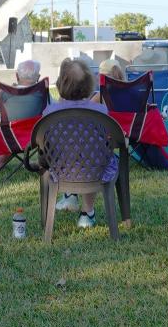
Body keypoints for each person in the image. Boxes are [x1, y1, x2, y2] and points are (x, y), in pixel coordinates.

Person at [43, 58, 118, 228]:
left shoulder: (50, 111)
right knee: (92, 158)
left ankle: (70, 196)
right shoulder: (99, 110)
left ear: (60, 84)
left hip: (60, 170)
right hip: (96, 170)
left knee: (76, 156)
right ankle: (87, 213)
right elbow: (108, 138)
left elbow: (45, 142)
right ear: (89, 84)